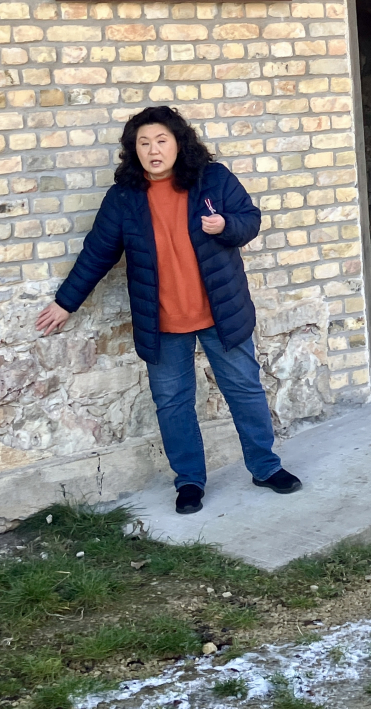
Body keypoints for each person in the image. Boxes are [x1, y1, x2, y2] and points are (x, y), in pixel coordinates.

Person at [36, 105, 301, 514]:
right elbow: (97, 253)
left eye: (161, 140)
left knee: (245, 390)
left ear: (179, 143)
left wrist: (225, 226)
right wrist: (64, 302)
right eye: (144, 143)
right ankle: (189, 481)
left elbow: (249, 219)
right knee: (174, 403)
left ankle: (266, 467)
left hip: (221, 313)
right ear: (134, 150)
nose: (153, 150)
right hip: (161, 320)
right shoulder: (124, 198)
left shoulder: (213, 179)